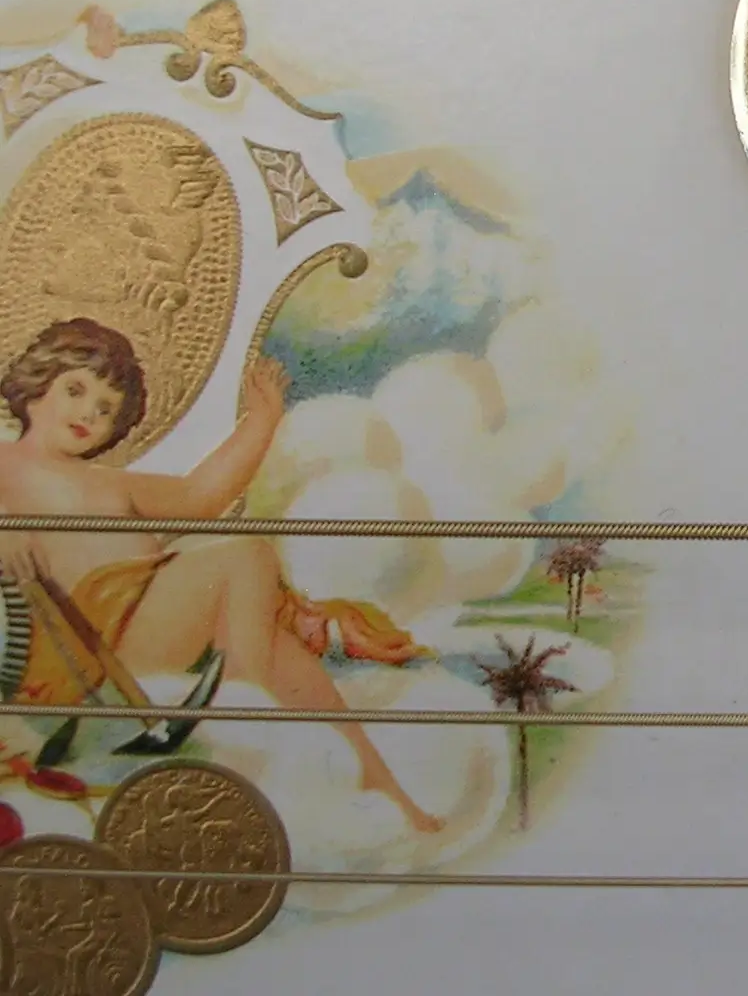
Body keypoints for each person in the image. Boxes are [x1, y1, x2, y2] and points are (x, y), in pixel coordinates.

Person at [0, 318, 443, 832]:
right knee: (244, 554)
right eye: (75, 390)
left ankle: (380, 784)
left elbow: (199, 499)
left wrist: (263, 421)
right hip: (83, 654)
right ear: (37, 383)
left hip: (139, 630)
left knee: (284, 652)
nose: (88, 414)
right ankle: (243, 710)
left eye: (105, 409)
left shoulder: (109, 483)